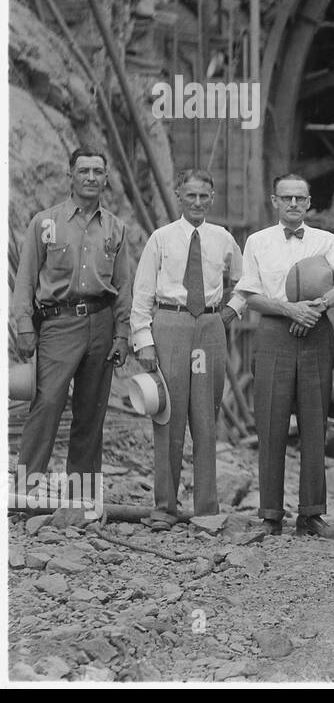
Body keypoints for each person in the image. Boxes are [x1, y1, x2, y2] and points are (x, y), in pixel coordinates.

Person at [237, 173, 334, 538]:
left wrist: (319, 306)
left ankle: (311, 514)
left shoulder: (326, 240)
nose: (293, 204)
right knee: (272, 423)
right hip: (275, 332)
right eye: (286, 197)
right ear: (273, 201)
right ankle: (270, 515)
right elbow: (249, 294)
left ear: (308, 203)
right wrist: (290, 310)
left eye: (300, 198)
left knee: (314, 423)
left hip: (316, 333)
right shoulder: (257, 241)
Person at [12, 148, 132, 506]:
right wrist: (23, 326)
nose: (91, 177)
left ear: (106, 177)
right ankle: (23, 493)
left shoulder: (116, 227)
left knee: (90, 411)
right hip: (58, 323)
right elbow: (25, 280)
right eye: (84, 171)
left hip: (101, 321)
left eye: (98, 171)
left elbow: (123, 285)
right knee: (47, 404)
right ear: (71, 176)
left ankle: (80, 500)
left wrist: (122, 333)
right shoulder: (45, 223)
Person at [130, 169, 243, 525]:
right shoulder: (161, 238)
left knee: (206, 417)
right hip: (171, 323)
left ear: (212, 197)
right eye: (191, 195)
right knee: (168, 416)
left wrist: (229, 312)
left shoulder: (223, 238)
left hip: (209, 327)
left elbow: (244, 282)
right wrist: (144, 340)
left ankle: (207, 509)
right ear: (179, 195)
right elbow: (143, 293)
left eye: (204, 196)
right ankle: (165, 507)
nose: (197, 202)